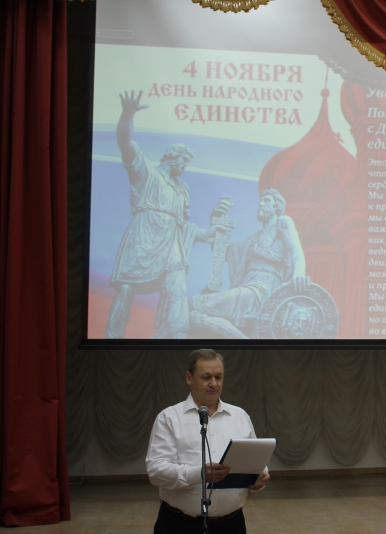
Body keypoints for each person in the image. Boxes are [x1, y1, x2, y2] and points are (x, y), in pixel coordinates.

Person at [105, 90, 233, 339]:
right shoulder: (147, 174)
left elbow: (182, 226)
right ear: (171, 157)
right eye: (182, 161)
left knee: (177, 286)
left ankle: (179, 335)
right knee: (126, 290)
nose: (184, 167)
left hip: (171, 243)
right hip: (143, 237)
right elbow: (125, 143)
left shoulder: (181, 189)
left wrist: (207, 233)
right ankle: (112, 338)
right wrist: (128, 114)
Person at [146, 349, 269, 533]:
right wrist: (199, 474)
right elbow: (156, 471)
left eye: (218, 377)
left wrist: (259, 478)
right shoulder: (169, 418)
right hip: (179, 524)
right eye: (206, 377)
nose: (214, 384)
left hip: (231, 524)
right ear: (189, 378)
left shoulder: (239, 416)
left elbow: (255, 459)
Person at [190, 189, 310, 339]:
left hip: (262, 290)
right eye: (261, 200)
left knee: (198, 308)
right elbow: (223, 252)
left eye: (267, 200)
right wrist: (216, 221)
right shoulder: (254, 239)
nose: (261, 203)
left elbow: (296, 251)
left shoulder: (283, 222)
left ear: (277, 206)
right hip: (247, 287)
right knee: (194, 312)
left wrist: (299, 275)